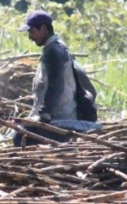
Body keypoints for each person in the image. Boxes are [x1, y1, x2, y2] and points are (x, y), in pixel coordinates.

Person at [14, 9, 99, 146]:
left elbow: (55, 86)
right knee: (21, 134)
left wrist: (44, 115)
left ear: (43, 28)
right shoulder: (57, 49)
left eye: (32, 32)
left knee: (19, 138)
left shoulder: (54, 52)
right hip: (58, 117)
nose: (30, 37)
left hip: (60, 120)